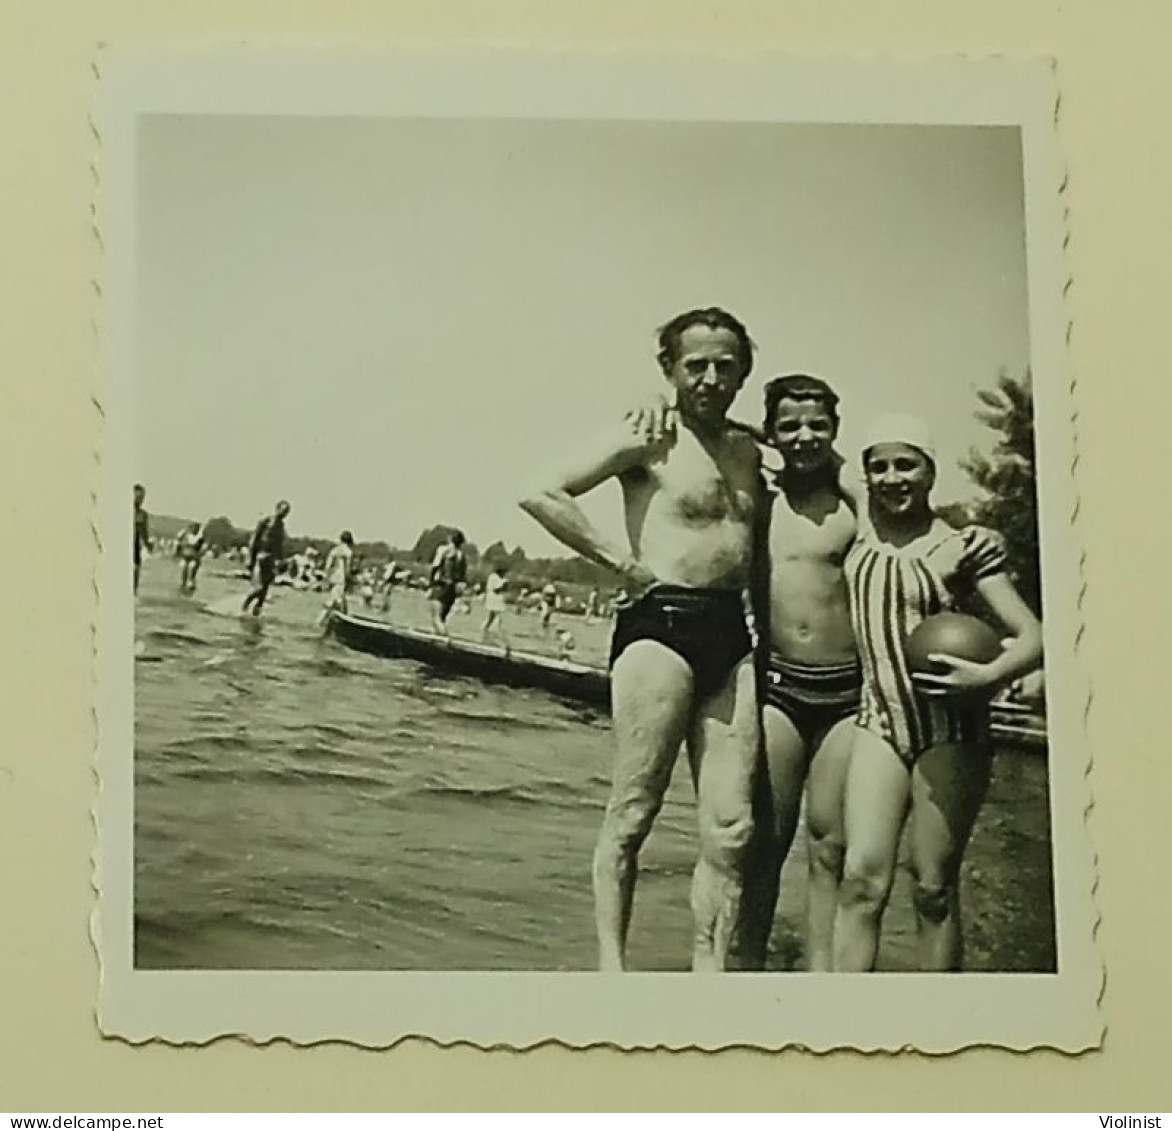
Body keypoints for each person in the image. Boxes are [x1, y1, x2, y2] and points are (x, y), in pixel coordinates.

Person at [519, 306, 764, 972]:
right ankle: (613, 973)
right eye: (695, 366)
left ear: (743, 370)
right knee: (632, 814)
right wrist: (623, 566)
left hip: (730, 635)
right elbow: (541, 491)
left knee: (733, 829)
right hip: (661, 626)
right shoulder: (648, 435)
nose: (711, 378)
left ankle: (705, 979)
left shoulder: (750, 449)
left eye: (725, 364)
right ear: (669, 370)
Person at [833, 414, 1043, 972]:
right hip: (879, 721)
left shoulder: (963, 548)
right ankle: (836, 1022)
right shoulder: (859, 522)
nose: (892, 477)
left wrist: (985, 677)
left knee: (931, 888)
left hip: (951, 729)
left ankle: (941, 1024)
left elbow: (1034, 636)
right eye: (879, 466)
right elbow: (793, 443)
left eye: (906, 464)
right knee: (859, 880)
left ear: (930, 472)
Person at [242, 500, 291, 617]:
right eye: (283, 511)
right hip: (260, 556)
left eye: (287, 512)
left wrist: (281, 560)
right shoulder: (266, 520)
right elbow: (254, 539)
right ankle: (243, 607)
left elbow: (279, 545)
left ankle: (256, 614)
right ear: (277, 508)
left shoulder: (281, 526)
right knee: (258, 587)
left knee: (264, 592)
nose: (284, 514)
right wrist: (249, 558)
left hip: (271, 559)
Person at [428, 530, 468, 638]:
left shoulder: (444, 550)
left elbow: (435, 566)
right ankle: (440, 639)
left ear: (450, 539)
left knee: (436, 617)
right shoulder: (462, 555)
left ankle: (445, 640)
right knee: (442, 618)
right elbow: (463, 575)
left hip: (441, 584)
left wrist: (430, 584)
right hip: (453, 588)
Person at [318, 531, 356, 627]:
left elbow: (328, 566)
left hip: (333, 578)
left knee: (340, 602)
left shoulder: (334, 550)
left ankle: (334, 623)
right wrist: (350, 581)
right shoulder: (348, 552)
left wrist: (326, 579)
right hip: (341, 579)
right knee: (335, 601)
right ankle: (321, 622)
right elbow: (347, 569)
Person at [482, 564, 510, 650]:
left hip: (494, 598)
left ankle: (485, 631)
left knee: (491, 617)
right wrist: (503, 582)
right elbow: (496, 588)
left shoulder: (495, 577)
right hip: (494, 598)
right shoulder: (494, 577)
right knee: (498, 617)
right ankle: (495, 632)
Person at [175, 521, 208, 595]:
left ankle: (191, 580)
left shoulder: (200, 537)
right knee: (183, 567)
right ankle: (183, 583)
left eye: (196, 528)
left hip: (194, 558)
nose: (194, 529)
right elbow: (178, 543)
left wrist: (200, 554)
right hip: (185, 556)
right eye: (193, 528)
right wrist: (177, 552)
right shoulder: (184, 534)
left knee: (192, 567)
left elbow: (204, 548)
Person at [133, 484, 152, 595]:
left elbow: (144, 531)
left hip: (135, 544)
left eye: (142, 497)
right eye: (138, 496)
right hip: (121, 544)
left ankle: (133, 593)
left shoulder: (142, 514)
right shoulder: (122, 511)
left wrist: (147, 543)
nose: (140, 500)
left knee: (136, 569)